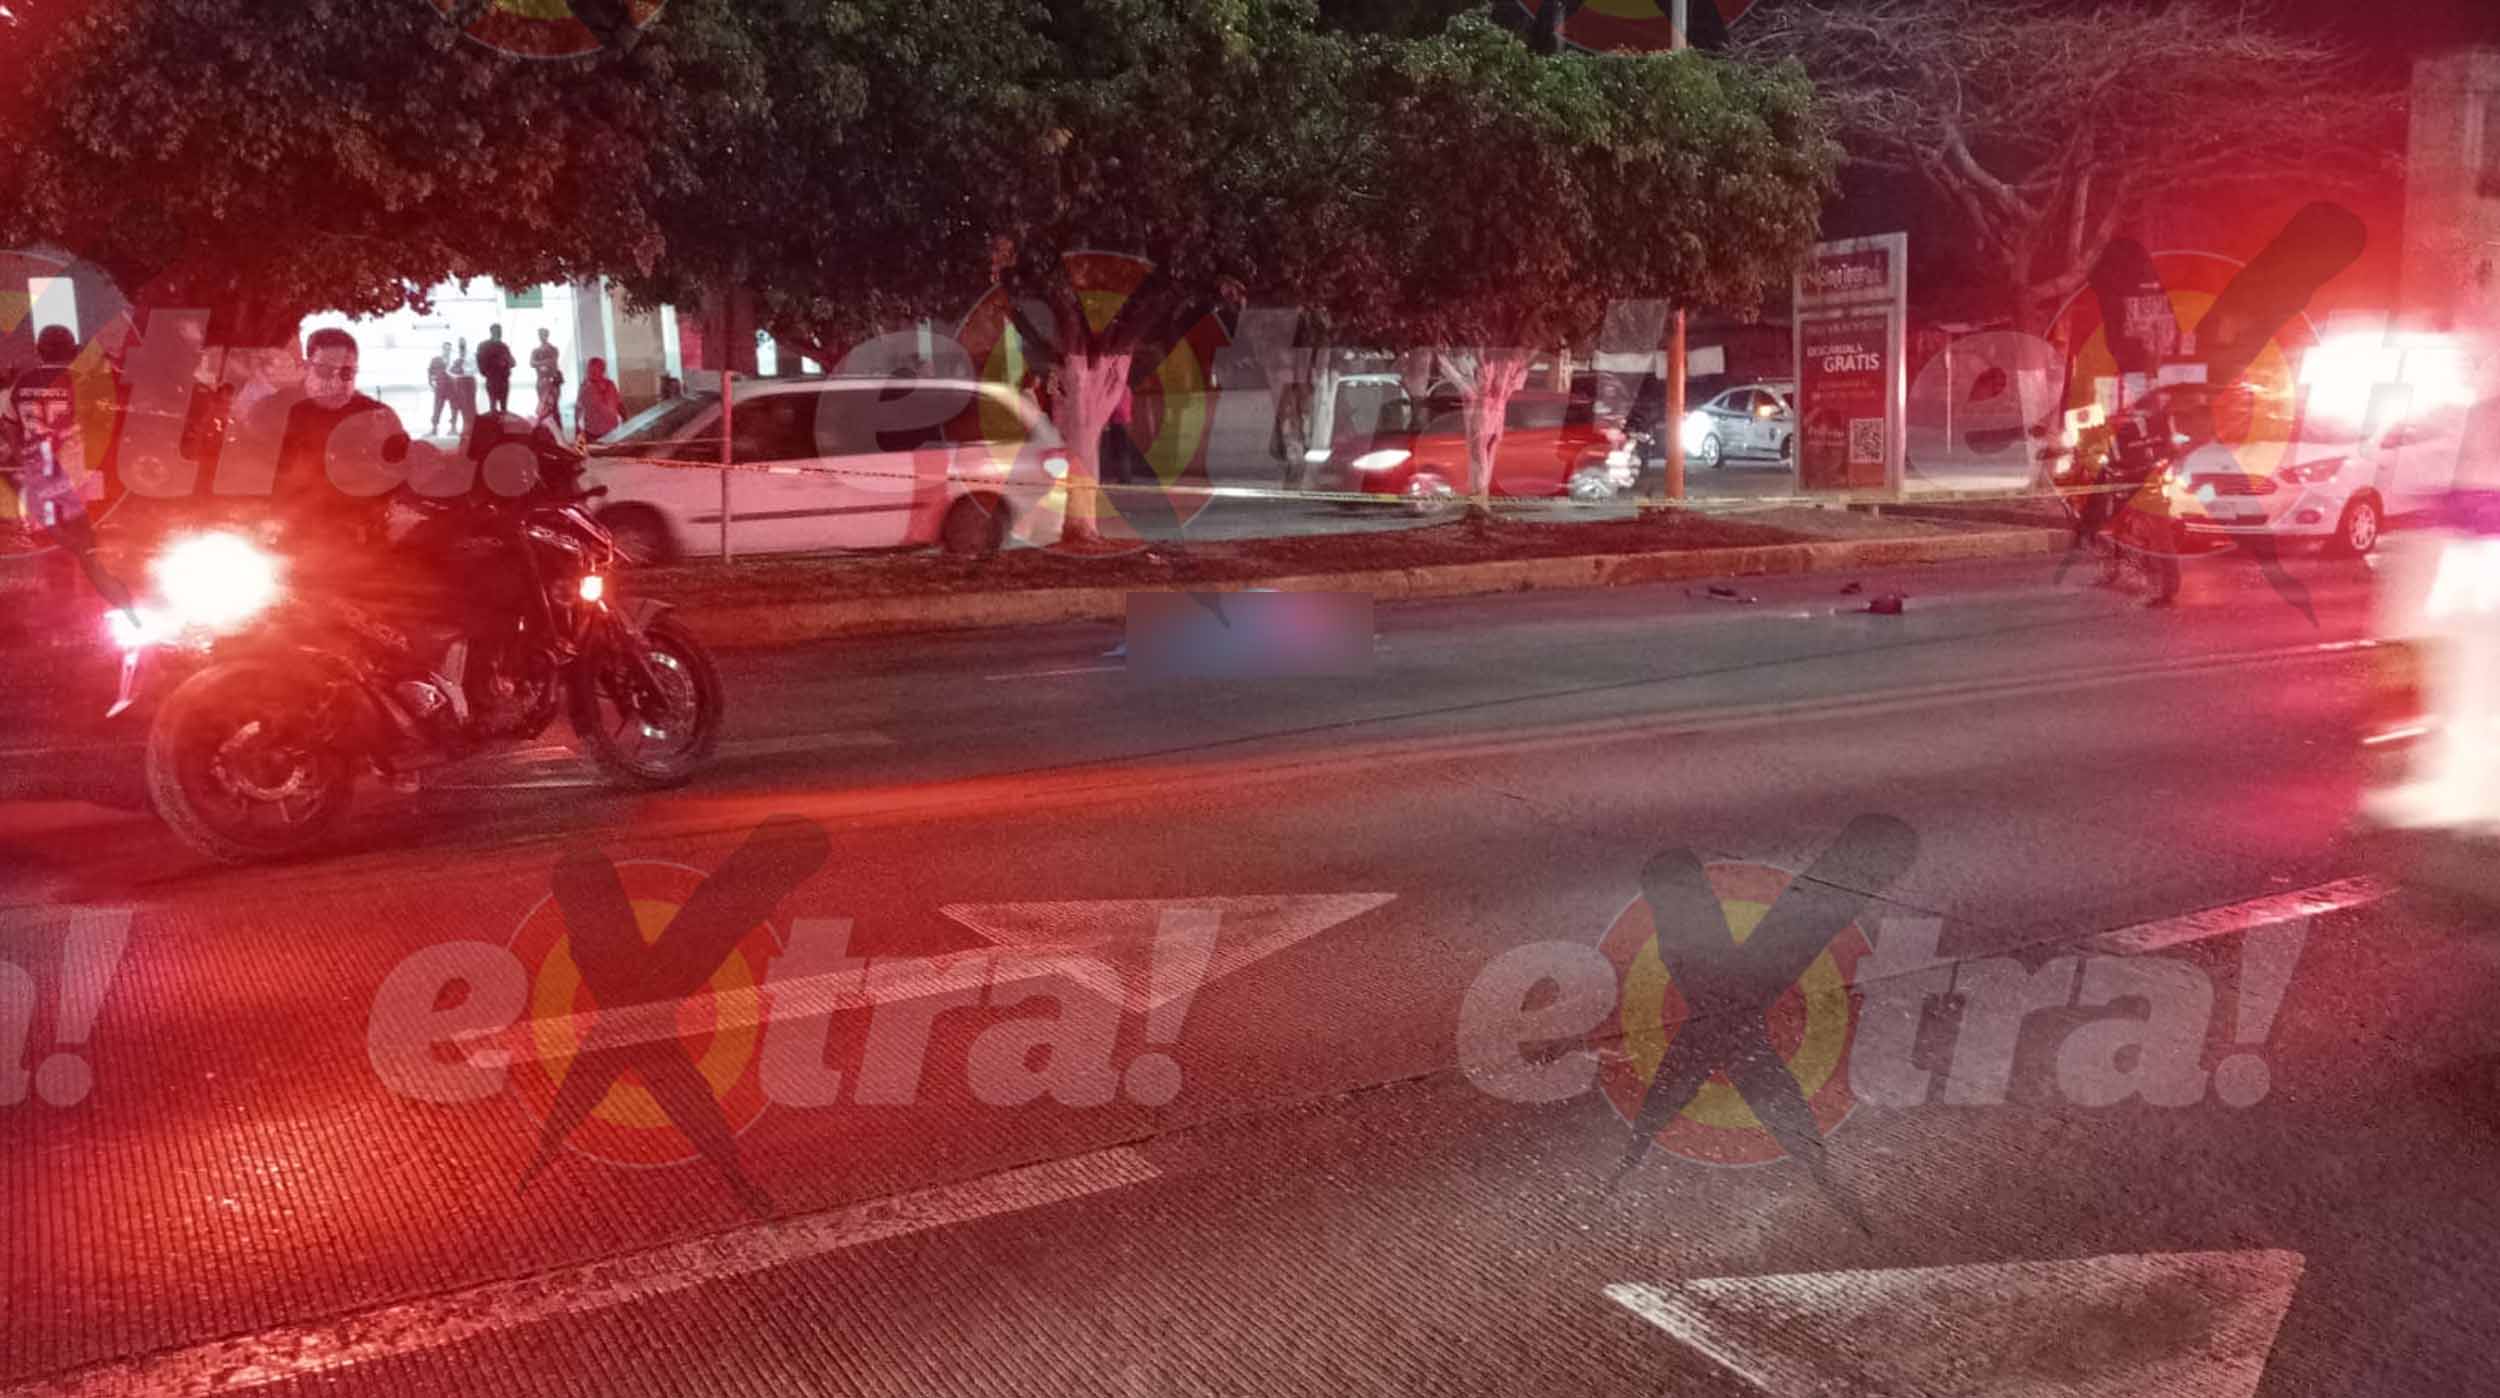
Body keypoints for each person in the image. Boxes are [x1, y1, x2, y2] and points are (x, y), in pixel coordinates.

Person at [2, 325, 132, 619]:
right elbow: (103, 423)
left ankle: (60, 609)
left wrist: (23, 454)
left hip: (39, 473)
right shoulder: (82, 381)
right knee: (87, 543)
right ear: (72, 350)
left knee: (52, 541)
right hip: (76, 473)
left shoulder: (22, 384)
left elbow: (8, 424)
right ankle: (89, 606)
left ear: (40, 350)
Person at [576, 356, 624, 441]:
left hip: (611, 431)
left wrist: (626, 420)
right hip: (592, 432)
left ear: (602, 370)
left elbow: (619, 404)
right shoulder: (584, 387)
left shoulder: (610, 385)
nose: (591, 373)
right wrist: (577, 427)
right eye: (590, 370)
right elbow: (578, 408)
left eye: (595, 370)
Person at [476, 323, 515, 417]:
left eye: (500, 331)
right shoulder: (485, 345)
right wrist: (496, 365)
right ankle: (494, 424)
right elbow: (481, 361)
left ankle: (502, 423)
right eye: (498, 331)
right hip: (492, 379)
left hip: (503, 379)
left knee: (503, 408)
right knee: (493, 407)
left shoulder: (504, 346)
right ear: (492, 332)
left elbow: (513, 362)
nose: (500, 333)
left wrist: (506, 362)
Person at [530, 328, 564, 436]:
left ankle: (557, 432)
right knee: (543, 406)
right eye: (540, 334)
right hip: (541, 381)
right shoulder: (536, 350)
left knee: (554, 406)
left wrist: (542, 363)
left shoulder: (553, 349)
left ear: (547, 335)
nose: (542, 336)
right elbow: (532, 363)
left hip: (552, 381)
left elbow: (553, 362)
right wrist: (543, 363)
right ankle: (545, 432)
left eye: (543, 334)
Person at [427, 341, 454, 437]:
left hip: (452, 388)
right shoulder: (436, 359)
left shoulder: (454, 360)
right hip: (440, 388)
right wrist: (431, 383)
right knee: (437, 408)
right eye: (445, 348)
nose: (447, 350)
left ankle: (453, 428)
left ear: (451, 350)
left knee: (454, 408)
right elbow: (430, 371)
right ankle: (434, 428)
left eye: (449, 349)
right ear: (442, 349)